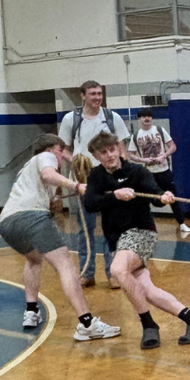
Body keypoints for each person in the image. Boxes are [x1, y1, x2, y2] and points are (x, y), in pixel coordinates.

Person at [84, 131, 190, 350]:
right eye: (103, 152)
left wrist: (164, 197)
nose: (109, 155)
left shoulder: (137, 171)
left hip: (141, 232)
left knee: (117, 271)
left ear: (119, 148)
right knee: (146, 290)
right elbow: (90, 203)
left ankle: (148, 325)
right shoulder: (96, 176)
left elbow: (154, 192)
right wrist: (115, 194)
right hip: (117, 239)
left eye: (112, 149)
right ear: (96, 156)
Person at [0, 134, 120, 342]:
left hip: (7, 223)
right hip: (31, 217)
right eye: (61, 151)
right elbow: (47, 175)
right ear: (52, 149)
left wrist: (69, 194)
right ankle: (87, 324)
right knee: (65, 264)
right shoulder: (46, 158)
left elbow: (51, 199)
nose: (62, 157)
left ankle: (31, 311)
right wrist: (77, 186)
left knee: (33, 258)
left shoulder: (26, 169)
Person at [57, 80, 129, 287]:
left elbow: (121, 147)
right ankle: (87, 272)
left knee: (111, 226)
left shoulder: (111, 117)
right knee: (85, 228)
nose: (97, 97)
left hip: (109, 178)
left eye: (99, 93)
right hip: (83, 180)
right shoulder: (71, 119)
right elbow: (63, 148)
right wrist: (77, 161)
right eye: (92, 94)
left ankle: (112, 273)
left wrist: (121, 170)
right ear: (83, 96)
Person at [128, 108, 190, 237]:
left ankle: (182, 223)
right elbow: (130, 155)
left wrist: (164, 155)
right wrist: (143, 160)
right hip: (148, 173)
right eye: (143, 117)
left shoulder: (160, 130)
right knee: (146, 200)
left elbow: (173, 146)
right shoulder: (135, 135)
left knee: (173, 197)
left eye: (149, 116)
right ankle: (145, 225)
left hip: (164, 171)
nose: (146, 119)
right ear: (139, 119)